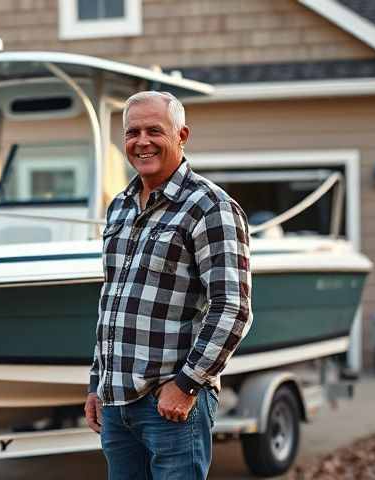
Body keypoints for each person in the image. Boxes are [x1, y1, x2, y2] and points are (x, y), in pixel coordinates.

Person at [84, 91, 253, 479]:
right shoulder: (121, 206)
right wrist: (98, 383)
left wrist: (186, 385)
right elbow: (113, 301)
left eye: (154, 131)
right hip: (117, 405)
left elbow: (233, 308)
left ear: (182, 135)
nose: (141, 141)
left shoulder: (210, 207)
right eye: (132, 132)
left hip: (172, 406)